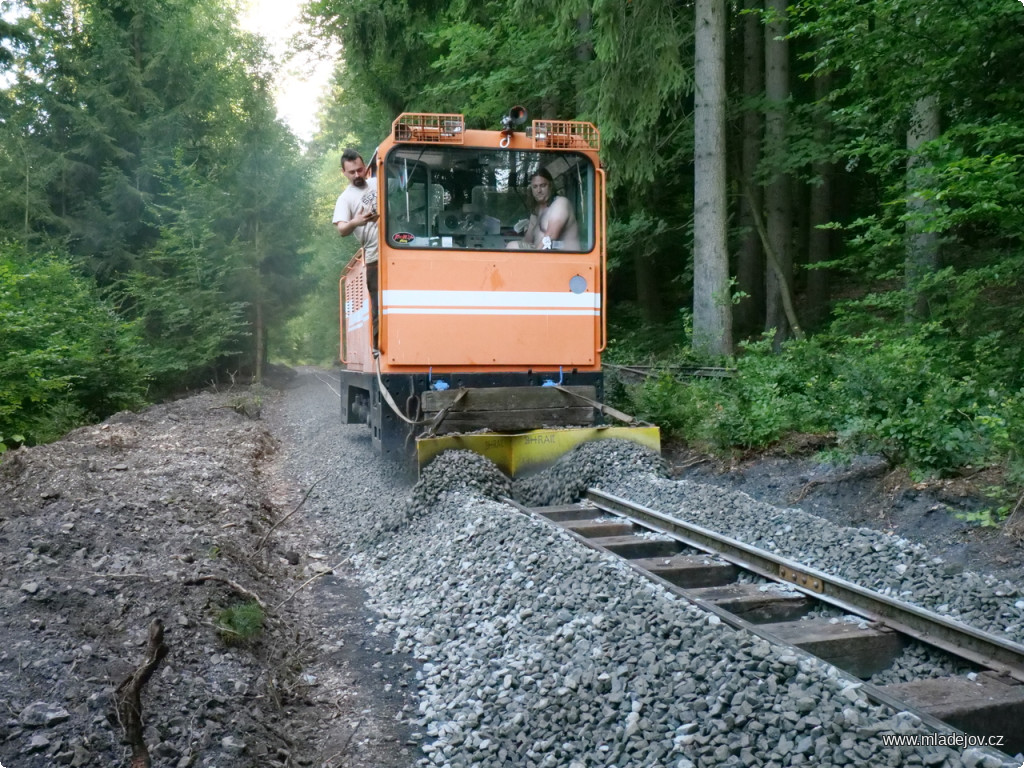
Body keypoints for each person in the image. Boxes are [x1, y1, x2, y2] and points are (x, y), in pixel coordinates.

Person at [333, 149, 380, 350]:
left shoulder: (379, 182)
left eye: (360, 170)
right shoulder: (345, 198)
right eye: (352, 172)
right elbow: (342, 229)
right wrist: (356, 221)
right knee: (380, 306)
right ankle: (380, 351)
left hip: (401, 249)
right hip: (374, 257)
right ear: (344, 172)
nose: (357, 175)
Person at [509, 168, 581, 250]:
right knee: (513, 246)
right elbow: (527, 240)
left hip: (566, 259)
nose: (539, 190)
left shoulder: (560, 203)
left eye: (543, 185)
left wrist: (533, 258)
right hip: (543, 257)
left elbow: (550, 237)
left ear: (551, 186)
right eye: (535, 187)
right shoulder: (536, 212)